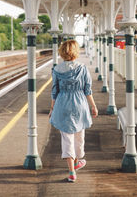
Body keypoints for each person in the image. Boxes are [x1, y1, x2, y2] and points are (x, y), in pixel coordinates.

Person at [49, 39, 98, 182]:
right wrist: (93, 106)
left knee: (67, 138)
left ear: (62, 52)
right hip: (79, 104)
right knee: (79, 136)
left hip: (62, 104)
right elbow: (87, 90)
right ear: (75, 52)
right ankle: (77, 161)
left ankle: (72, 171)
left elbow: (54, 91)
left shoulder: (56, 69)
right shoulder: (82, 68)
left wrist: (52, 108)